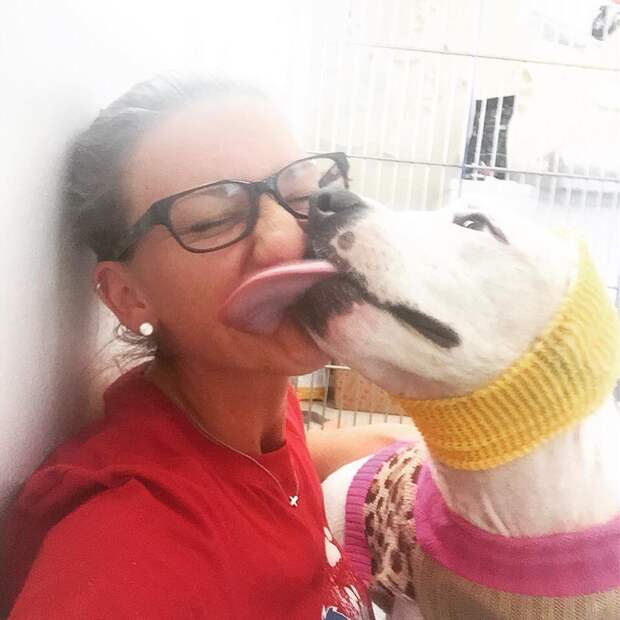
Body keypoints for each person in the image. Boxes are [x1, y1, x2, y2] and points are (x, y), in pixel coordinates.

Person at [2, 75, 415, 619]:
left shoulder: (251, 405)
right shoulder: (127, 550)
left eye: (300, 194)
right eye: (213, 220)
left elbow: (271, 472)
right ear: (128, 296)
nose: (286, 240)